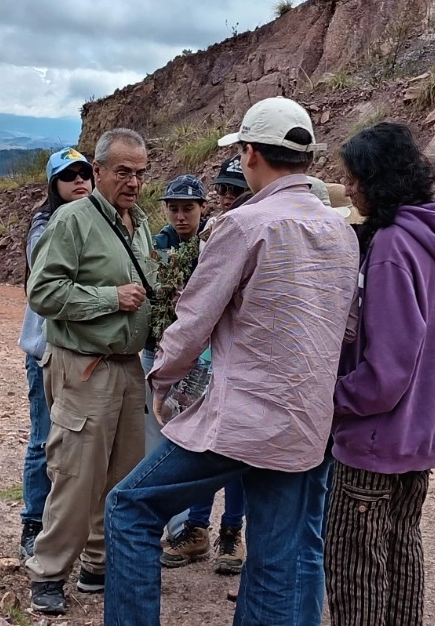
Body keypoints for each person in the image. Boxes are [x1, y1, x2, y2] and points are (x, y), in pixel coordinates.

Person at [103, 96, 359, 626]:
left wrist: (163, 380)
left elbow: (194, 317)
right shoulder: (341, 232)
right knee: (274, 560)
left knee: (130, 508)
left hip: (241, 418)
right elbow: (347, 323)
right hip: (304, 425)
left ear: (249, 154)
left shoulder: (243, 225)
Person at [325, 122, 435, 625]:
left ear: (375, 180)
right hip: (419, 435)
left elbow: (385, 372)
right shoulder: (434, 237)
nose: (347, 189)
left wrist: (331, 397)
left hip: (374, 440)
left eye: (353, 178)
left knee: (355, 568)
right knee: (403, 551)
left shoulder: (390, 249)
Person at [23, 129, 156, 616]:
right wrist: (109, 298)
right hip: (84, 366)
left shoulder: (138, 223)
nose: (134, 182)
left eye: (140, 173)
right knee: (77, 474)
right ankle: (49, 572)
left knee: (122, 476)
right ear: (98, 171)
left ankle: (98, 564)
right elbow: (43, 293)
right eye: (123, 172)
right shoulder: (72, 221)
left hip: (126, 368)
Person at [146, 175, 247, 574]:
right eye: (223, 191)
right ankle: (196, 527)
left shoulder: (231, 238)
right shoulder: (164, 244)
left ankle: (231, 534)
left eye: (188, 207)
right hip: (193, 359)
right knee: (199, 447)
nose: (180, 215)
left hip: (227, 362)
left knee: (235, 452)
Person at [15, 148, 94, 561]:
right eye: (69, 176)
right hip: (46, 350)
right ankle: (33, 522)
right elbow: (51, 277)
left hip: (83, 353)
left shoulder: (101, 222)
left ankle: (65, 527)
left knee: (75, 444)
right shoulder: (44, 226)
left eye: (84, 173)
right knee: (44, 439)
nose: (79, 181)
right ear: (54, 186)